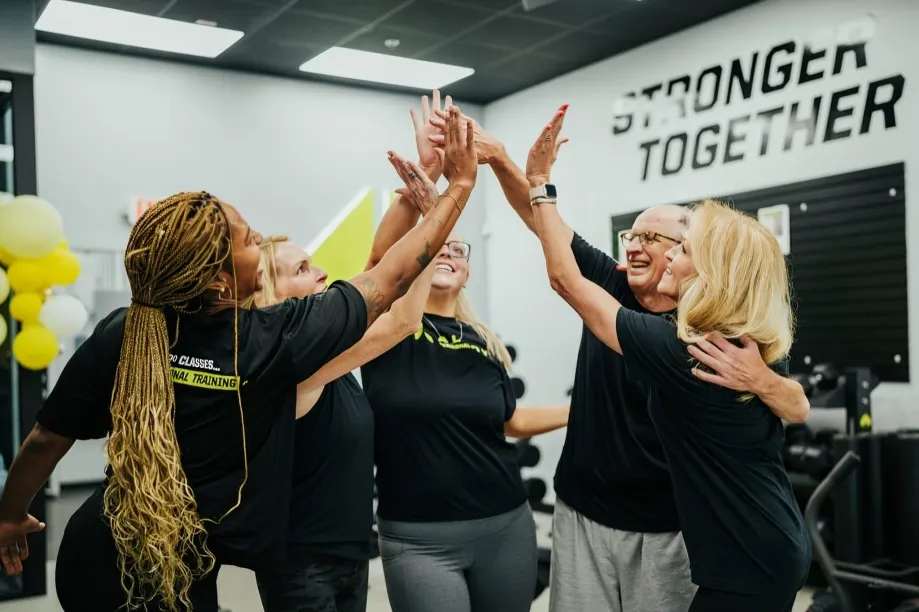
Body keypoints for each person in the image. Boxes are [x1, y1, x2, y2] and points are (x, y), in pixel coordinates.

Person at [0, 106, 479, 612]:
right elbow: (386, 282)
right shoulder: (267, 342)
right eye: (250, 241)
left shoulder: (127, 329)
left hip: (104, 549)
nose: (259, 242)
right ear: (218, 281)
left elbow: (45, 437)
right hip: (167, 568)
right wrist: (459, 186)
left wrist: (10, 515)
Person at [427, 104, 810, 612]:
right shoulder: (615, 287)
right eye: (632, 233)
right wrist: (500, 160)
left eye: (658, 240)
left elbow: (797, 404)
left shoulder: (715, 339)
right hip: (588, 508)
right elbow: (545, 225)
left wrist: (762, 380)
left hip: (670, 524)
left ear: (693, 259)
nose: (637, 246)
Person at [359, 103, 569, 611]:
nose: (449, 252)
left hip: (505, 522)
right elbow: (378, 263)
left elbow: (511, 421)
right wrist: (428, 175)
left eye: (460, 250)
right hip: (418, 536)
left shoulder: (485, 340)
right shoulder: (387, 328)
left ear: (469, 273)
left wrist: (581, 410)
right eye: (439, 246)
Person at [250, 145, 444, 612]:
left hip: (347, 554)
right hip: (302, 566)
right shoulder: (292, 364)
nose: (321, 273)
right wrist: (437, 213)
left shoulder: (321, 349)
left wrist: (418, 186)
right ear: (270, 292)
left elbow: (379, 266)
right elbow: (401, 318)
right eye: (301, 269)